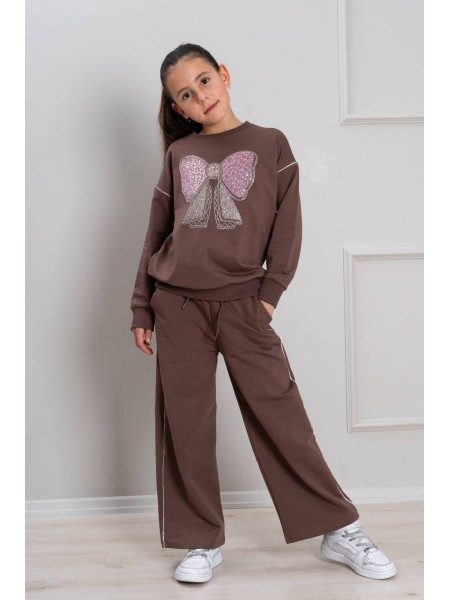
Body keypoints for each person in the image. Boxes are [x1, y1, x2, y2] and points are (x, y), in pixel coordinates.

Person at [130, 43, 397, 584]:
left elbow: (287, 228)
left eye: (205, 81)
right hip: (177, 306)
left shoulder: (271, 143)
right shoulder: (180, 155)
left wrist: (269, 295)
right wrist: (142, 305)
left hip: (243, 305)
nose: (200, 97)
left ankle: (339, 530)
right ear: (178, 108)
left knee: (282, 417)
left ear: (224, 75)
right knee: (187, 425)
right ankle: (201, 539)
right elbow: (156, 232)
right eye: (186, 95)